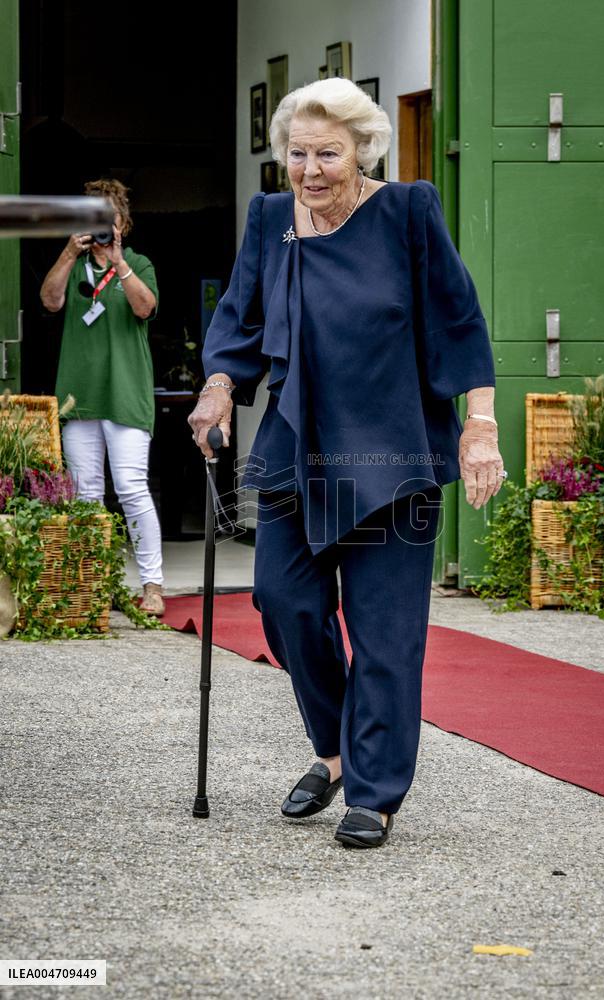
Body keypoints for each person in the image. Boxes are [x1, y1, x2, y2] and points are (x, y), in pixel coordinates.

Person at [188, 78, 505, 848]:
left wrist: (481, 426)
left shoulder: (407, 211)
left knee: (386, 630)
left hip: (392, 448)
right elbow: (240, 315)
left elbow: (458, 320)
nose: (310, 169)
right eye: (297, 153)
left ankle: (375, 791)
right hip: (298, 448)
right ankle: (331, 752)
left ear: (363, 151)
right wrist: (221, 386)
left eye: (328, 153)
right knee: (281, 599)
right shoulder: (270, 221)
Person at [40, 178, 165, 616]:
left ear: (122, 222)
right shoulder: (73, 265)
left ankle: (152, 587)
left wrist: (120, 265)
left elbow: (145, 307)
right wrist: (69, 251)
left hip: (125, 395)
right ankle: (95, 583)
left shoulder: (138, 263)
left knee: (131, 489)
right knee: (86, 494)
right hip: (81, 398)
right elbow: (50, 301)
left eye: (106, 216)